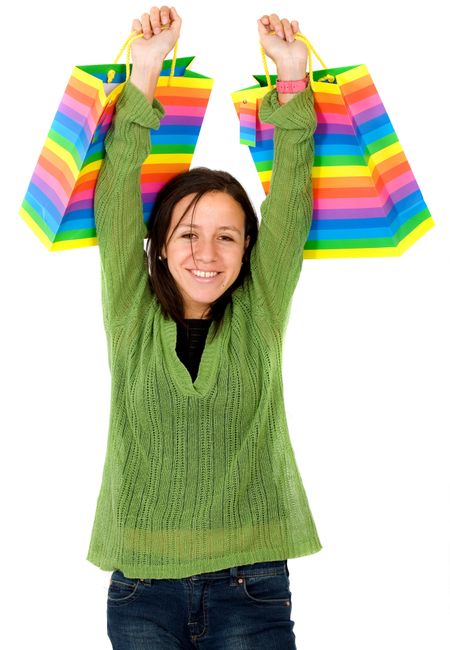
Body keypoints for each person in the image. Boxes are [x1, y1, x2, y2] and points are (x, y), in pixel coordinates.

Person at [88, 6, 322, 648]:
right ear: (159, 244)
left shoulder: (261, 308)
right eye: (188, 234)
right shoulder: (130, 309)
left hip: (251, 584)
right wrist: (146, 68)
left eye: (227, 236)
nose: (206, 252)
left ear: (249, 249)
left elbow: (293, 201)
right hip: (141, 587)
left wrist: (293, 78)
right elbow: (113, 198)